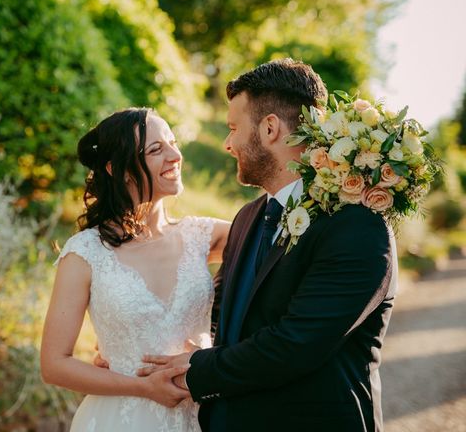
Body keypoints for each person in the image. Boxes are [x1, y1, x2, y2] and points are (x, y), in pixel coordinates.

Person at [138, 59, 398, 432]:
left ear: (271, 128)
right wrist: (133, 356)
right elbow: (223, 316)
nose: (227, 144)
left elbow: (295, 345)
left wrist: (196, 370)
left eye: (232, 128)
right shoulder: (246, 217)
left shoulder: (356, 227)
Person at [40, 107, 231, 431]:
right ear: (119, 169)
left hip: (202, 415)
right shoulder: (85, 253)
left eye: (172, 142)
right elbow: (54, 364)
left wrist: (218, 351)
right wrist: (143, 387)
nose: (175, 155)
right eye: (157, 149)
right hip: (121, 418)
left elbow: (280, 256)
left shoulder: (204, 236)